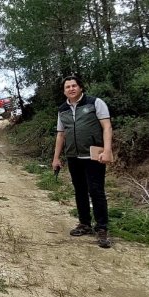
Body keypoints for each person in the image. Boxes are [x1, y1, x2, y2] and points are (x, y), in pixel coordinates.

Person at [51, 75, 113, 249]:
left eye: (74, 85)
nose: (71, 89)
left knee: (96, 191)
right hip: (73, 156)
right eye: (67, 87)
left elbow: (106, 127)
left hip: (94, 155)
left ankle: (102, 228)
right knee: (80, 190)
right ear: (64, 91)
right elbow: (60, 134)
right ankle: (84, 223)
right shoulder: (62, 109)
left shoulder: (95, 103)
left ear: (81, 87)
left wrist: (107, 150)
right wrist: (56, 157)